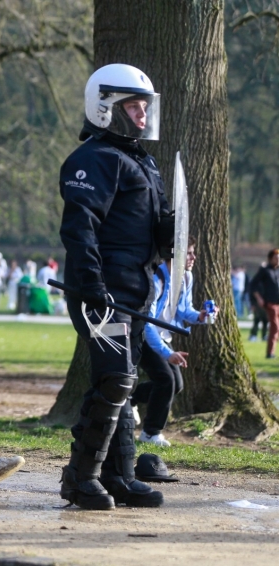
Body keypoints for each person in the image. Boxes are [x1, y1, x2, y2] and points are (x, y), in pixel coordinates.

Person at [58, 63, 169, 510]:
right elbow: (79, 230)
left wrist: (174, 243)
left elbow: (150, 227)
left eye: (145, 107)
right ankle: (79, 479)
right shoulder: (92, 159)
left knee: (118, 383)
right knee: (116, 380)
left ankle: (119, 475)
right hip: (101, 294)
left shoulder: (141, 160)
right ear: (106, 108)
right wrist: (91, 288)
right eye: (133, 106)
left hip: (134, 292)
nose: (142, 115)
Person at [134, 238, 213, 446]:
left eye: (193, 252)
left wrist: (201, 316)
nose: (193, 257)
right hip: (144, 337)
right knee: (166, 381)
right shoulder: (157, 278)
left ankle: (130, 396)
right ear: (174, 254)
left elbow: (185, 310)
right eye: (189, 253)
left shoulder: (186, 277)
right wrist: (167, 353)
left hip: (161, 338)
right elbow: (147, 323)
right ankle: (150, 433)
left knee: (176, 385)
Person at [250, 248, 279, 359]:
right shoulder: (265, 270)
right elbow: (253, 285)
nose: (278, 260)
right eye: (276, 258)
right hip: (270, 303)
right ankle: (270, 353)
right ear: (270, 259)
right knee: (275, 327)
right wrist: (259, 298)